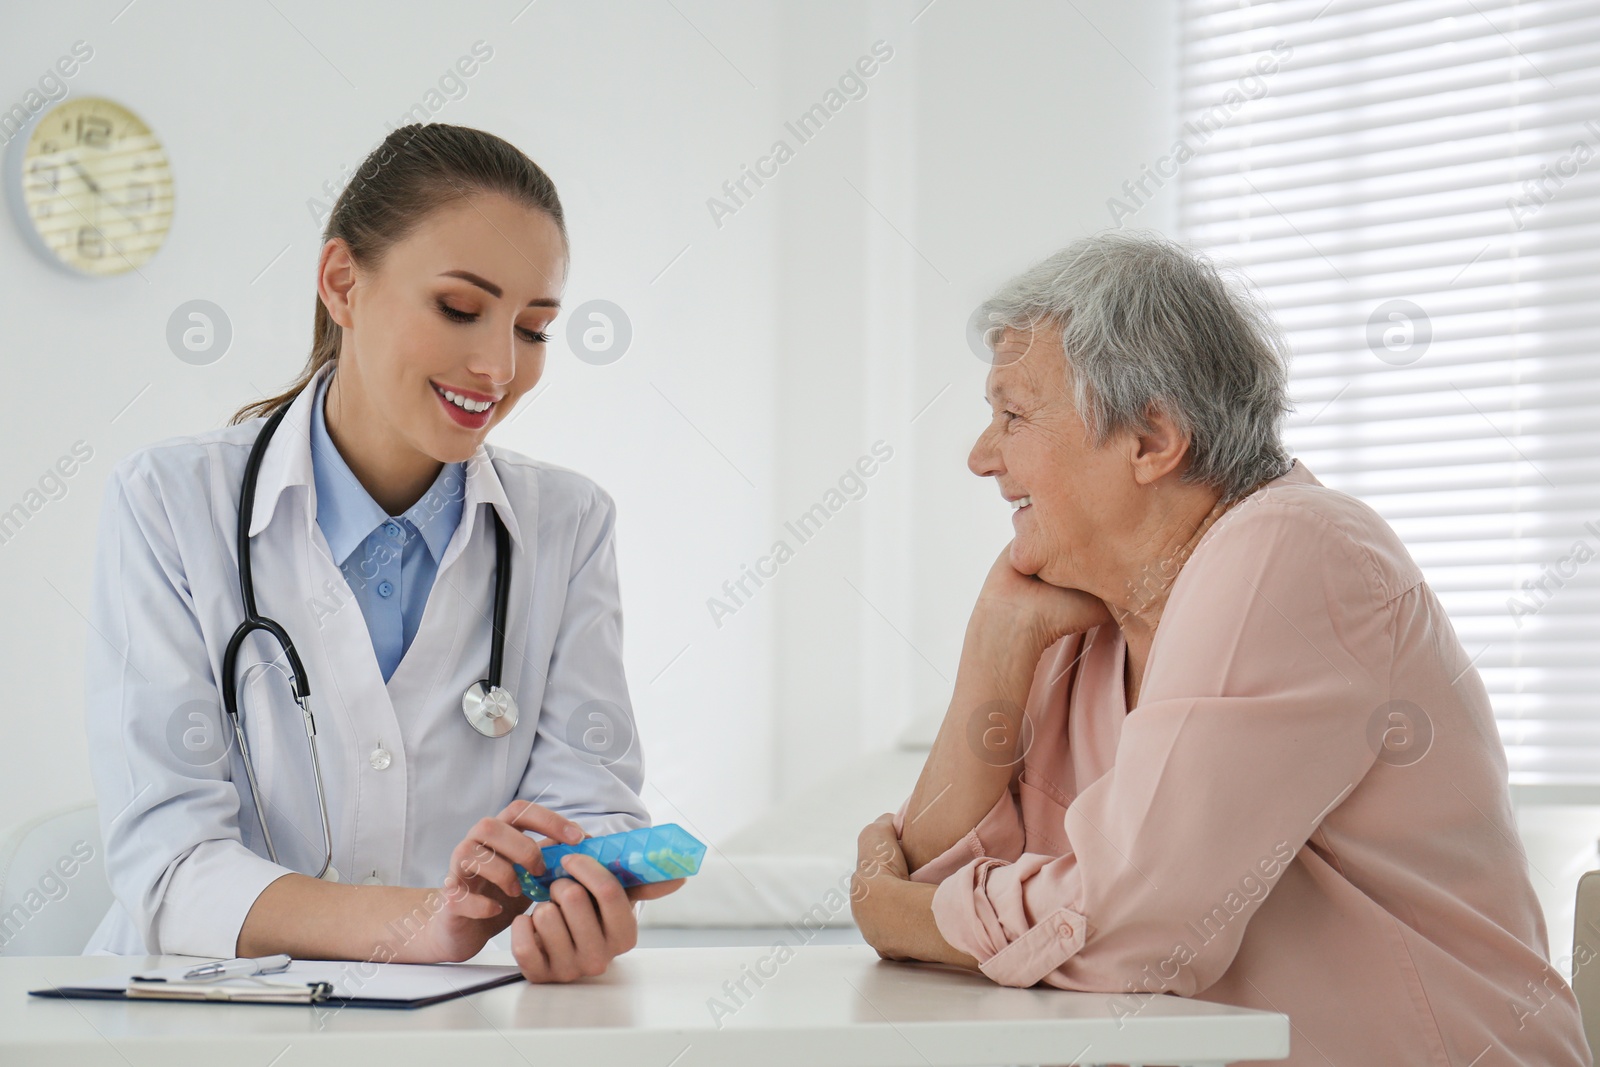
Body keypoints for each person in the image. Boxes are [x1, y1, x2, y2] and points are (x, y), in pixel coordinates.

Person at [850, 232, 1591, 1065]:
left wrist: (898, 913)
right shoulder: (1080, 616)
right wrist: (994, 640)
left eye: (1013, 414)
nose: (982, 457)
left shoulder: (1294, 547)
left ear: (1152, 439)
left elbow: (1138, 928)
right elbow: (933, 897)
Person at [82, 123, 681, 982]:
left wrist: (581, 891)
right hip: (201, 1020)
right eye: (461, 308)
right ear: (342, 283)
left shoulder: (568, 523)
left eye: (535, 328)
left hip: (456, 1017)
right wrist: (427, 921)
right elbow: (170, 868)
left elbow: (586, 803)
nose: (499, 364)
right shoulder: (169, 504)